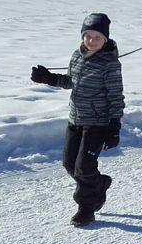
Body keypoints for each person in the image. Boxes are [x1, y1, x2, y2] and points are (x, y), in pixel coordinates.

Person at [31, 13, 125, 227]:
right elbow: (70, 81)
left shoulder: (110, 64)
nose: (91, 41)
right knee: (69, 163)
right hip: (75, 119)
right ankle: (99, 183)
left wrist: (114, 125)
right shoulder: (77, 56)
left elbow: (116, 96)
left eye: (97, 37)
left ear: (106, 39)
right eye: (88, 36)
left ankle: (86, 208)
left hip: (98, 123)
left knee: (83, 167)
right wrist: (48, 78)